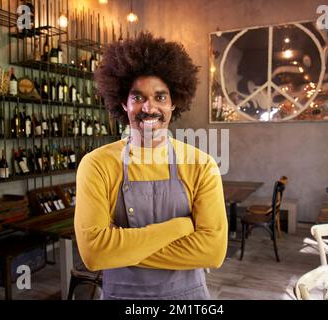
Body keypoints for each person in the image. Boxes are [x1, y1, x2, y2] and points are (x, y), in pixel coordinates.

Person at [74, 32, 228, 300]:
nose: (149, 107)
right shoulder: (97, 165)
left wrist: (121, 249)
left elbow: (213, 252)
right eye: (138, 98)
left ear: (174, 103)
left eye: (160, 97)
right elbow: (94, 254)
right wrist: (180, 228)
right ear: (123, 103)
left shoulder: (201, 165)